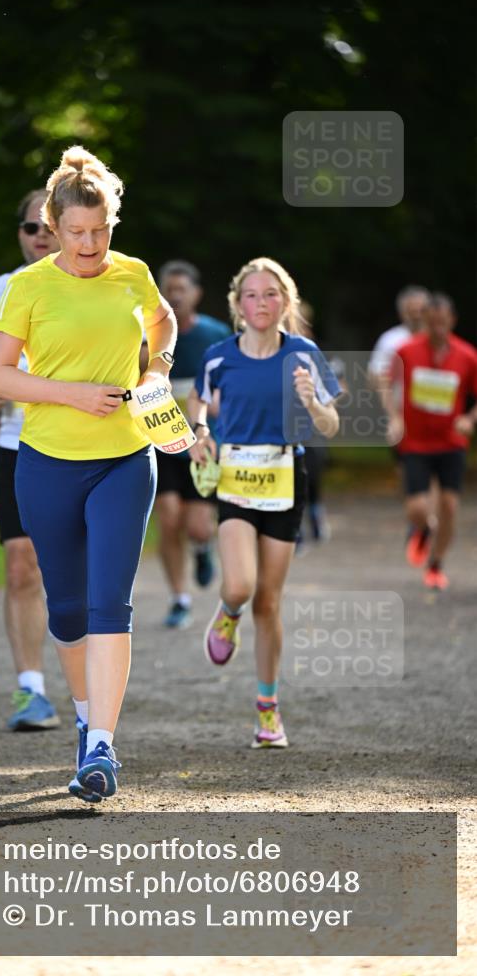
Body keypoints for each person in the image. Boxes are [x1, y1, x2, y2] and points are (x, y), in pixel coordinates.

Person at [0, 145, 177, 802]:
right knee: (66, 610)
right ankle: (84, 716)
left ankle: (101, 745)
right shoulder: (29, 287)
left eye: (100, 231)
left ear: (112, 223)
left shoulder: (133, 274)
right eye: (75, 232)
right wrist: (72, 394)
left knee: (109, 604)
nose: (89, 244)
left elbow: (163, 323)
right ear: (53, 226)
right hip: (46, 464)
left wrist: (156, 370)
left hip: (125, 457)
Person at [187, 257, 340, 749]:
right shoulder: (218, 357)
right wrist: (200, 435)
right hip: (235, 478)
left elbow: (331, 425)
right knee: (241, 585)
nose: (261, 302)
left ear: (285, 301)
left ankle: (267, 709)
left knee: (270, 601)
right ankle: (228, 611)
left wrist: (311, 402)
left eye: (271, 294)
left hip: (285, 479)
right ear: (237, 304)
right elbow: (198, 404)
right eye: (251, 294)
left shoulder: (303, 354)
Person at [0, 189, 61, 731]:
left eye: (48, 224)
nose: (40, 235)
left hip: (86, 448)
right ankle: (31, 690)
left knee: (75, 574)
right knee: (22, 566)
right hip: (18, 445)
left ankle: (93, 697)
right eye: (30, 227)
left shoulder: (104, 282)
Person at [147, 260, 231, 628]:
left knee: (198, 525)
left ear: (196, 294)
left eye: (182, 289)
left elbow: (231, 381)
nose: (175, 295)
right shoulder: (148, 333)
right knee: (168, 519)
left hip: (203, 440)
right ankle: (179, 598)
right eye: (169, 289)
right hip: (160, 441)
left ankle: (201, 547)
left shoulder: (215, 334)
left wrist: (215, 402)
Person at [385, 293, 477, 590]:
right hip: (415, 443)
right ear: (425, 321)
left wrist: (469, 419)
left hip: (451, 442)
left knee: (449, 506)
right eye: (432, 322)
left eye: (443, 322)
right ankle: (424, 528)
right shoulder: (406, 351)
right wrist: (395, 418)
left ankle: (436, 565)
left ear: (452, 321)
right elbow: (386, 384)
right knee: (417, 508)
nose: (437, 328)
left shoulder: (467, 355)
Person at [368, 285, 430, 392]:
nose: (417, 316)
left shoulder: (440, 340)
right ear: (402, 313)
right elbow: (373, 378)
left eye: (421, 311)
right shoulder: (389, 340)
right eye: (412, 311)